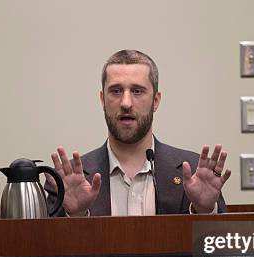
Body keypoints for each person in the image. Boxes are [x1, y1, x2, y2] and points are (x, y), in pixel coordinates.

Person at [46, 50, 230, 216]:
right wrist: (76, 215)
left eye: (137, 91)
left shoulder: (194, 171)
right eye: (116, 91)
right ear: (102, 99)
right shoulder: (65, 181)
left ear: (156, 100)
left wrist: (204, 211)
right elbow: (46, 248)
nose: (126, 102)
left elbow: (219, 247)